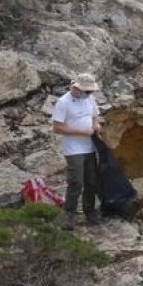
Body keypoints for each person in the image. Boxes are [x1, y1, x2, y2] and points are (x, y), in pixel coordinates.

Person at [50, 73, 103, 230]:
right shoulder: (64, 102)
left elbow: (95, 116)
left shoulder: (89, 99)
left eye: (90, 92)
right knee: (76, 182)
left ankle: (90, 211)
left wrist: (96, 126)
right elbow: (57, 127)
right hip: (74, 149)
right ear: (77, 88)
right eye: (87, 91)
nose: (89, 94)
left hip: (90, 147)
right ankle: (69, 214)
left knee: (91, 181)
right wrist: (81, 132)